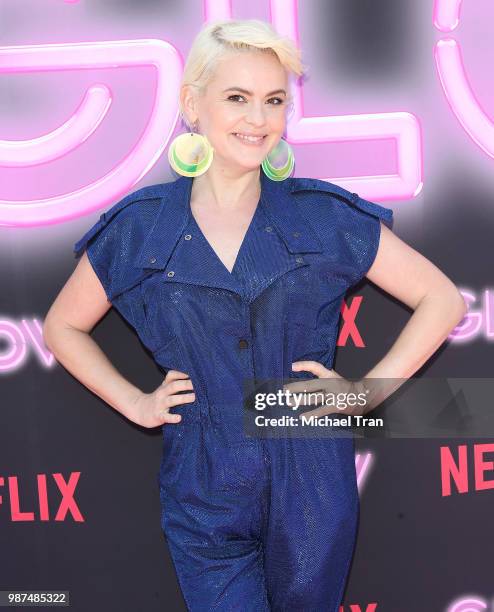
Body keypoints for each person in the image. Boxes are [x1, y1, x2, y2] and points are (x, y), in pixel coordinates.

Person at [43, 18, 467, 612]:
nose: (258, 119)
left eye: (274, 101)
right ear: (193, 104)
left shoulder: (321, 216)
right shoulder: (140, 226)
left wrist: (365, 393)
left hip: (310, 473)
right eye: (237, 98)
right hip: (201, 480)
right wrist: (136, 402)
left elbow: (442, 299)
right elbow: (62, 327)